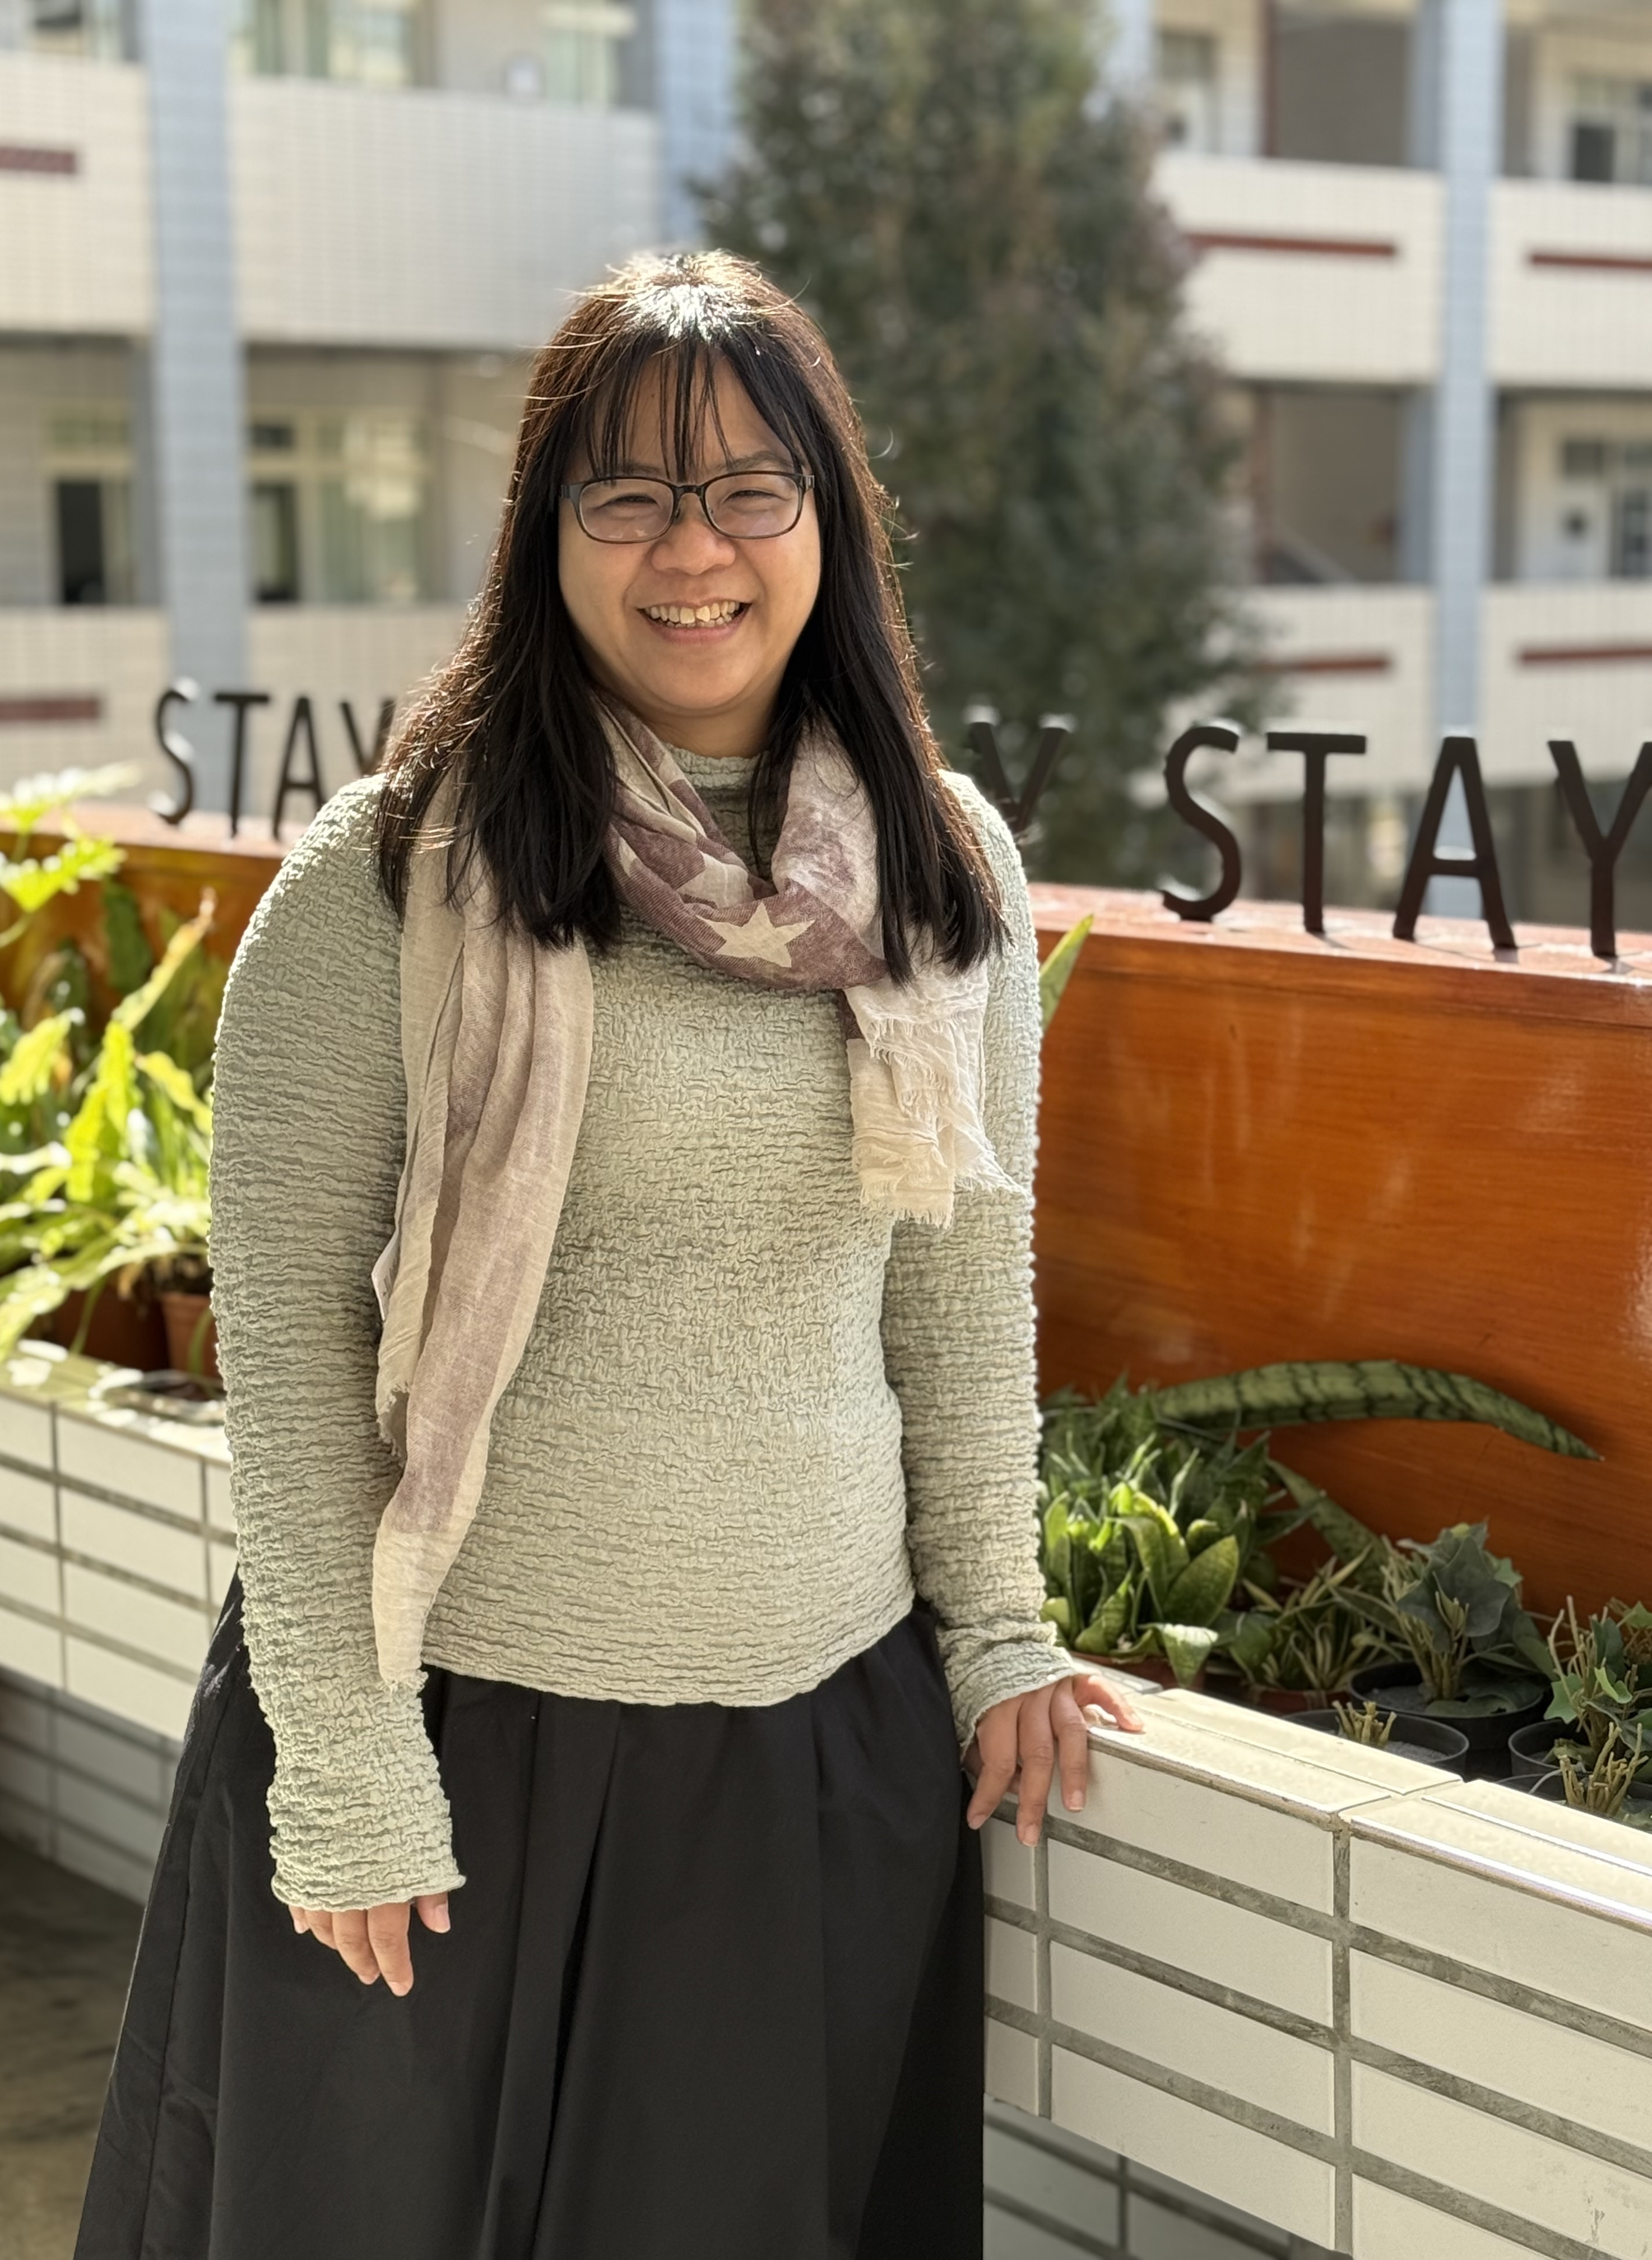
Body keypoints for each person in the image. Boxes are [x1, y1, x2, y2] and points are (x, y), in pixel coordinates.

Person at [74, 249, 1143, 2260]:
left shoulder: (941, 865)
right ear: (547, 532)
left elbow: (955, 1299)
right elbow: (285, 1352)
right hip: (452, 1729)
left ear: (827, 523)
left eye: (748, 488)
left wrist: (1001, 1630)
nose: (692, 547)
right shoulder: (396, 871)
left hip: (810, 1745)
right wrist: (349, 1772)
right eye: (629, 493)